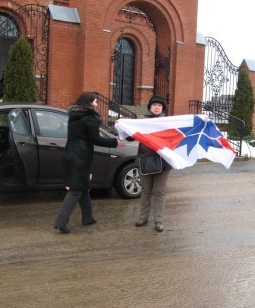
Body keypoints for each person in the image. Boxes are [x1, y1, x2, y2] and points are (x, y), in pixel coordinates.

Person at [53, 92, 124, 234]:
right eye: (95, 101)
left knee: (83, 187)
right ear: (89, 103)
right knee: (76, 190)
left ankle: (88, 218)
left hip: (70, 153)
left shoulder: (74, 116)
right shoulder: (89, 118)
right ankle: (61, 222)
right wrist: (114, 142)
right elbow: (96, 139)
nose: (97, 104)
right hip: (81, 156)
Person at [134, 95, 172, 232]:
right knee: (145, 191)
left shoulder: (168, 123)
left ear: (163, 108)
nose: (157, 107)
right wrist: (122, 126)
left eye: (159, 105)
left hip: (163, 162)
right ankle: (143, 217)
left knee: (159, 192)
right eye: (154, 105)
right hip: (145, 161)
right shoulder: (142, 123)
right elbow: (129, 135)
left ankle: (158, 220)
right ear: (150, 107)